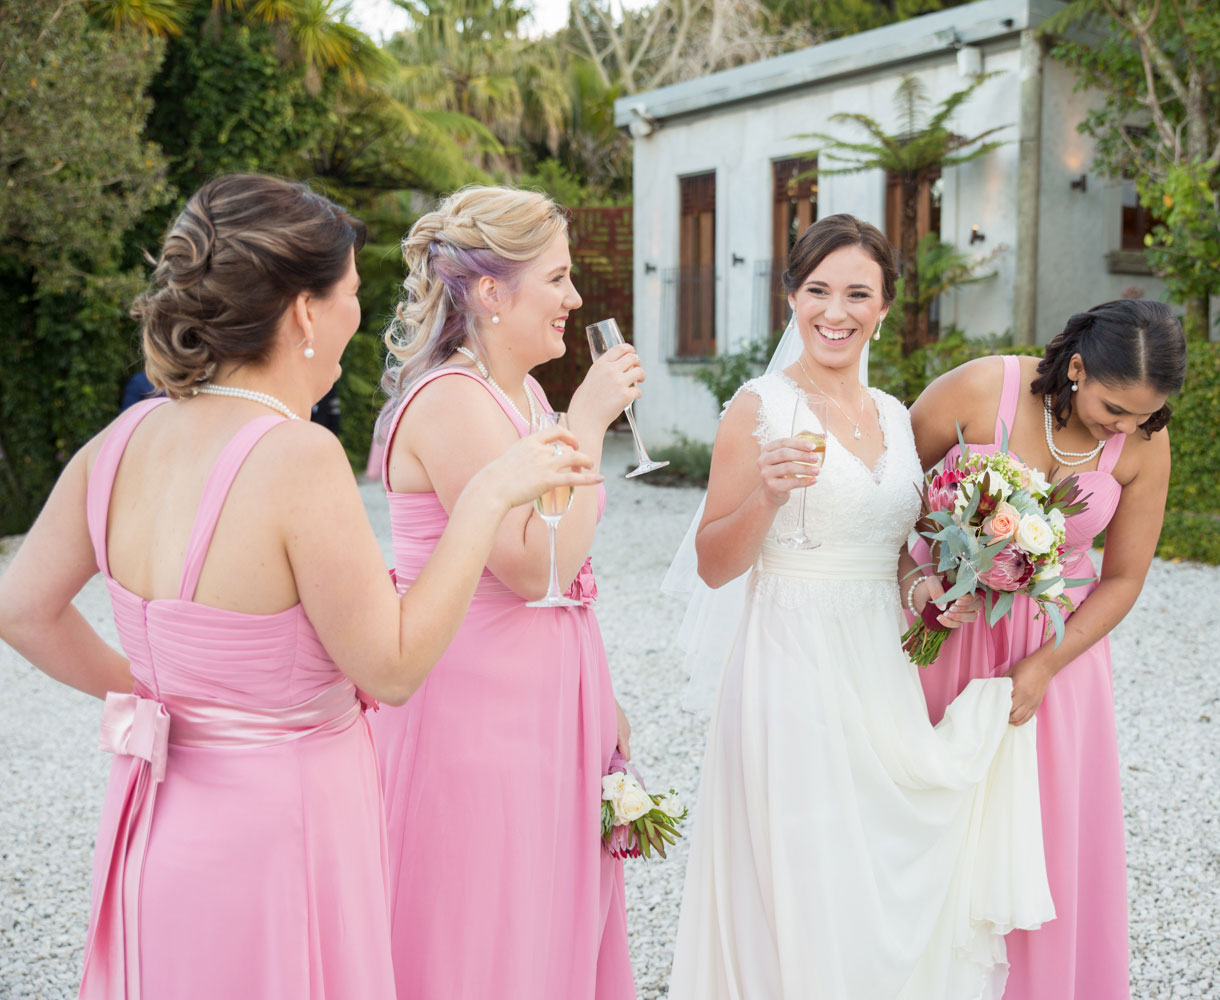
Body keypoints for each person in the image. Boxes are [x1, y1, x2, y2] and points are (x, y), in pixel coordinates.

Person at [0, 173, 599, 1000]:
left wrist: (159, 698)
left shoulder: (122, 438)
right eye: (353, 291)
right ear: (306, 313)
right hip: (280, 838)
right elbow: (389, 670)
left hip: (155, 828)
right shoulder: (298, 456)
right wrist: (489, 498)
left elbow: (22, 610)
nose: (364, 314)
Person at [666, 214, 1054, 1000]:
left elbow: (893, 560)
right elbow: (712, 564)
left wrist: (929, 595)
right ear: (790, 299)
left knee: (873, 862)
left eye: (856, 294)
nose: (833, 312)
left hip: (878, 665)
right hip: (790, 666)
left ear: (884, 308)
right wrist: (768, 496)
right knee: (806, 873)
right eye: (816, 291)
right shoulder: (760, 407)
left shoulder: (893, 413)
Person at [370, 186, 640, 999]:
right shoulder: (451, 400)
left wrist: (602, 693)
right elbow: (534, 565)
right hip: (473, 716)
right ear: (492, 292)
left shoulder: (519, 395)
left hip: (539, 703)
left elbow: (562, 552)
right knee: (482, 924)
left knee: (543, 916)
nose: (575, 298)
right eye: (556, 278)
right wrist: (591, 420)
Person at [910, 299, 1186, 1000]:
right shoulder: (979, 388)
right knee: (927, 822)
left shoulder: (1146, 444)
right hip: (949, 631)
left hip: (1056, 663)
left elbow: (1125, 577)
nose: (1124, 426)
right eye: (1114, 407)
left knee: (1043, 841)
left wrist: (1045, 666)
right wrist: (918, 582)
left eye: (1144, 415)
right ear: (1076, 365)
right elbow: (884, 490)